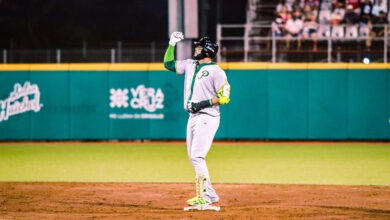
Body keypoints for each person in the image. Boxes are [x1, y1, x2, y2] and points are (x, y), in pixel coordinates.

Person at [163, 32, 231, 211]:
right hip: (192, 117)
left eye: (199, 47)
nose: (195, 49)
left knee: (197, 156)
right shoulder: (190, 65)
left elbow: (224, 97)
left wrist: (202, 103)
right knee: (193, 156)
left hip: (208, 116)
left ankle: (206, 196)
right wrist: (172, 44)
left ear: (208, 51)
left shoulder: (216, 71)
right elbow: (168, 64)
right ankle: (210, 194)